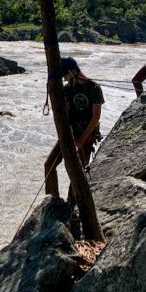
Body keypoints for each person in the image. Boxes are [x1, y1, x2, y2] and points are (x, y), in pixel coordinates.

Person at [44, 56, 104, 214]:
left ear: (73, 70)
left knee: (77, 172)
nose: (64, 77)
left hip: (87, 133)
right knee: (49, 164)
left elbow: (96, 116)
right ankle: (54, 201)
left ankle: (71, 208)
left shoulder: (94, 88)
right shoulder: (68, 87)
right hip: (70, 132)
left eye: (65, 74)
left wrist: (83, 138)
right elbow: (67, 111)